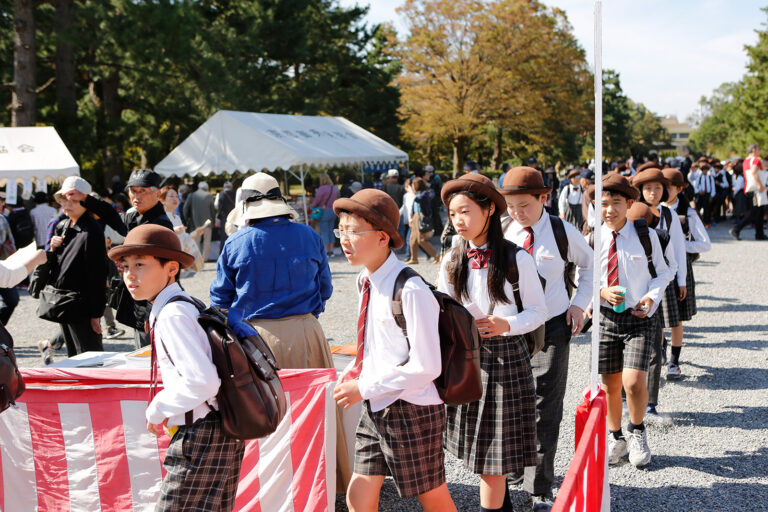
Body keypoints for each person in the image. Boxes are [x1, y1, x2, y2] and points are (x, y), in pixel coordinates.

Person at [209, 172, 351, 492]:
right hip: (306, 332)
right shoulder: (309, 235)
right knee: (314, 413)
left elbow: (219, 300)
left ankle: (273, 492)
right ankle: (321, 483)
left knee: (263, 417)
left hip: (254, 337)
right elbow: (324, 289)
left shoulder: (236, 242)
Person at [331, 188, 457, 512]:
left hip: (411, 409)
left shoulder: (410, 289)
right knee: (358, 495)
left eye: (354, 231)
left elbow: (428, 366)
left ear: (383, 237)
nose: (344, 239)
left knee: (433, 497)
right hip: (377, 402)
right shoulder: (366, 279)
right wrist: (356, 371)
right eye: (341, 230)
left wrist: (364, 386)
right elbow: (375, 344)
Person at [108, 224, 244, 511]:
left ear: (171, 268)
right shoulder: (182, 305)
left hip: (202, 431)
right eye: (126, 266)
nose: (130, 274)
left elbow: (203, 381)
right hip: (217, 427)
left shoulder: (172, 313)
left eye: (140, 265)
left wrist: (157, 408)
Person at [438, 174, 545, 512]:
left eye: (466, 211)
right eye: (453, 213)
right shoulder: (451, 259)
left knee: (491, 459)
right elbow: (442, 307)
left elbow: (539, 311)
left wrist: (507, 324)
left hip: (506, 360)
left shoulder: (518, 259)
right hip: (466, 358)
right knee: (486, 451)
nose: (458, 221)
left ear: (488, 211)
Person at [500, 167, 593, 508]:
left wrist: (580, 305)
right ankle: (509, 476)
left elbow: (590, 266)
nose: (516, 212)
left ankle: (539, 487)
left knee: (545, 407)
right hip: (509, 329)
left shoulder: (562, 232)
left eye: (523, 205)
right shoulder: (501, 232)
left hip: (551, 327)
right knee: (508, 404)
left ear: (545, 197)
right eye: (510, 205)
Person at [587, 174, 671, 468]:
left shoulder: (645, 236)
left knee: (633, 382)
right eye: (603, 204)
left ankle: (637, 430)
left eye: (616, 203)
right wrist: (600, 291)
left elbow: (664, 272)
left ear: (630, 203)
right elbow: (581, 278)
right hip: (607, 318)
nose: (609, 210)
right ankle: (616, 436)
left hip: (640, 318)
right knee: (610, 385)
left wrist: (651, 297)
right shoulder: (593, 238)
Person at [45, 176, 108, 357]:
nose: (67, 204)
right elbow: (60, 266)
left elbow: (97, 275)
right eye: (64, 199)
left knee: (90, 359)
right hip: (65, 302)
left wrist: (96, 314)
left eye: (73, 200)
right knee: (74, 357)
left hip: (83, 306)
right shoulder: (64, 225)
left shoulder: (92, 231)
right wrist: (53, 248)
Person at [662, 168, 711, 380]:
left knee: (676, 318)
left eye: (668, 187)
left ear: (680, 189)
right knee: (654, 316)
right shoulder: (652, 210)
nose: (663, 191)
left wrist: (681, 245)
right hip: (656, 268)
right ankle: (659, 350)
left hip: (680, 268)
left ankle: (674, 360)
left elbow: (705, 244)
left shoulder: (687, 213)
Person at [730, 144, 767, 240]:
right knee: (754, 212)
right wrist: (760, 185)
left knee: (759, 211)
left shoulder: (746, 161)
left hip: (749, 188)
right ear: (754, 150)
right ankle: (736, 229)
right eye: (758, 149)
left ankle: (759, 234)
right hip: (757, 189)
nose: (759, 151)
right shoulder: (756, 160)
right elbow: (755, 172)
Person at [405, 177, 439, 265]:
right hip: (416, 217)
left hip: (422, 217)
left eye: (413, 185)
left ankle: (436, 255)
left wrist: (412, 193)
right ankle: (414, 258)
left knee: (421, 239)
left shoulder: (425, 194)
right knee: (412, 239)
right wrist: (411, 218)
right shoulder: (419, 193)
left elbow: (418, 199)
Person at [183, 182, 216, 262]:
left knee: (195, 242)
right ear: (207, 188)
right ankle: (205, 258)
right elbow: (213, 210)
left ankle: (196, 258)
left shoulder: (192, 195)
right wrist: (213, 222)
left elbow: (185, 208)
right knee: (207, 242)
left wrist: (186, 219)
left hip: (195, 222)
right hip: (207, 223)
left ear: (198, 187)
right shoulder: (209, 195)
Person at [0, 193, 19, 326]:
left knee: (12, 299)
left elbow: (11, 241)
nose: (2, 204)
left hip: (4, 265)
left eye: (2, 202)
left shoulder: (2, 219)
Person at [311, 173, 340, 256]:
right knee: (331, 231)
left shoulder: (322, 188)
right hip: (332, 211)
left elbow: (316, 201)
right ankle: (331, 251)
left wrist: (310, 205)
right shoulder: (334, 188)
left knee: (324, 232)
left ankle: (326, 251)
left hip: (323, 212)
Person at [215, 182, 236, 246]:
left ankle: (222, 252)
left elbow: (216, 206)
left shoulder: (220, 194)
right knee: (232, 234)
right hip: (233, 217)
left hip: (223, 217)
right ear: (231, 187)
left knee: (223, 236)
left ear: (224, 187)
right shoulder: (234, 194)